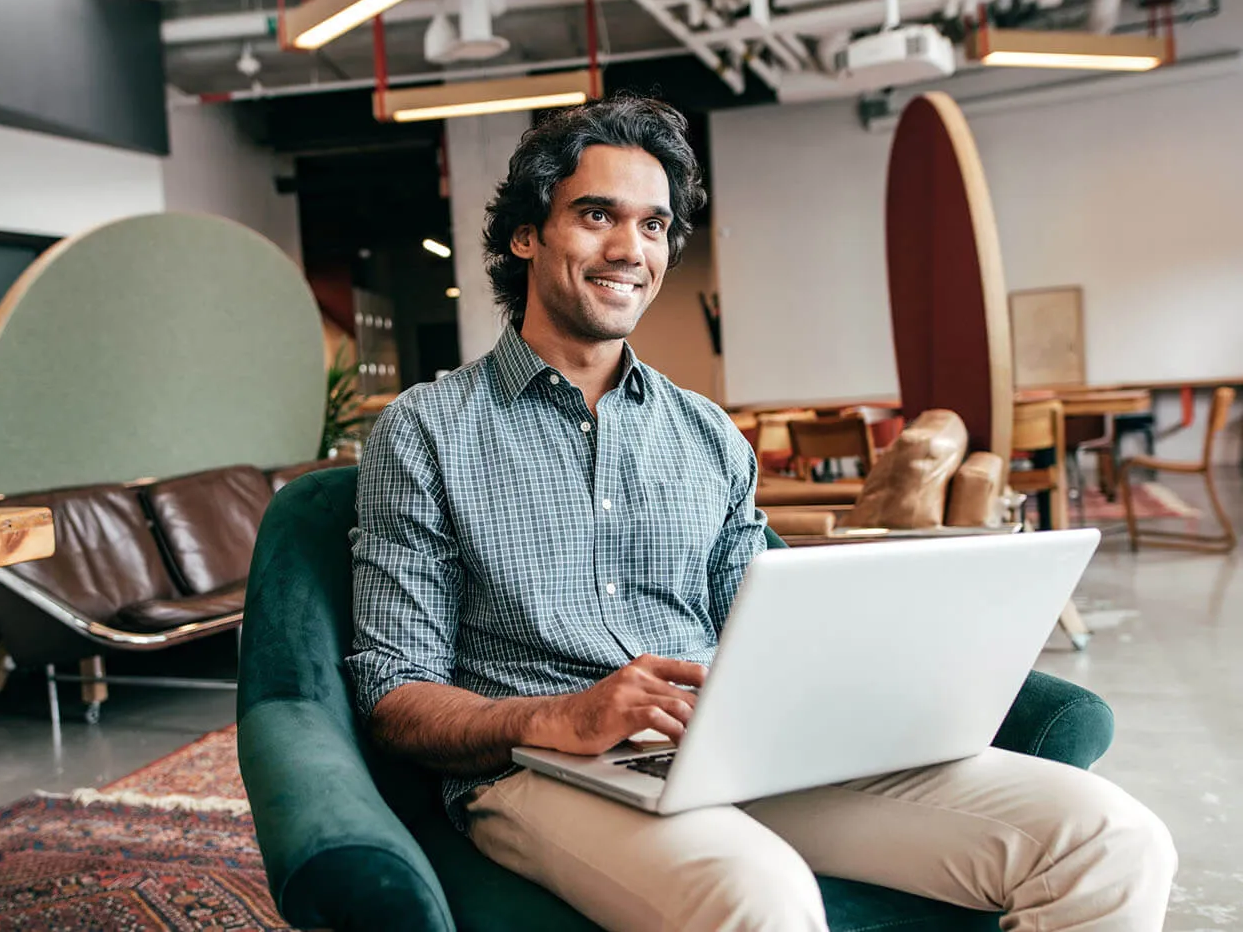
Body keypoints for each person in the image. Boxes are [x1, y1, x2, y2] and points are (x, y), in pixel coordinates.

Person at [347, 95, 1176, 931]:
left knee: (1113, 838)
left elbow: (763, 624)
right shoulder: (424, 432)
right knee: (758, 895)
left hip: (732, 751)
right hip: (542, 768)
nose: (630, 248)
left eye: (654, 225)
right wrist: (561, 715)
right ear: (527, 234)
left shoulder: (707, 434)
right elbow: (393, 695)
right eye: (597, 215)